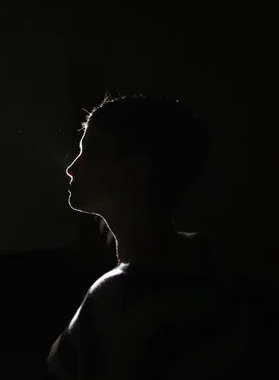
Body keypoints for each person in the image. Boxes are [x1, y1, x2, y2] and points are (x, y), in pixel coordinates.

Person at [46, 94, 239, 380]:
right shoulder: (211, 263)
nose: (71, 168)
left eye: (89, 151)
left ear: (134, 169)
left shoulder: (120, 295)